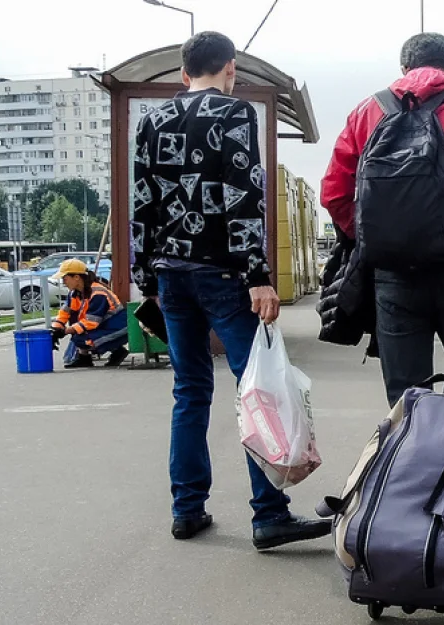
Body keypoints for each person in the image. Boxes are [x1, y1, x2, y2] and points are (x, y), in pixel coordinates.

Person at [130, 31, 331, 549]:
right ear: (231, 70)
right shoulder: (234, 114)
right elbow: (243, 197)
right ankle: (268, 515)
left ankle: (187, 509)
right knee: (255, 388)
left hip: (171, 275)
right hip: (221, 274)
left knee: (189, 391)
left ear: (182, 73)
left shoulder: (151, 121)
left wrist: (147, 279)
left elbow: (142, 203)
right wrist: (259, 275)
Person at [320, 32, 444, 407]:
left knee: (406, 401)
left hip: (393, 278)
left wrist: (372, 237)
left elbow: (333, 193)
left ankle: (411, 465)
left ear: (403, 70)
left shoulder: (367, 111)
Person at [50, 258, 129, 369]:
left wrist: (65, 331)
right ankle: (84, 359)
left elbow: (91, 322)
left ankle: (118, 351)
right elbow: (64, 313)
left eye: (65, 278)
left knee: (84, 339)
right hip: (105, 325)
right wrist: (55, 330)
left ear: (76, 277)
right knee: (76, 328)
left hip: (120, 326)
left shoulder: (98, 293)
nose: (64, 282)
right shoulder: (74, 294)